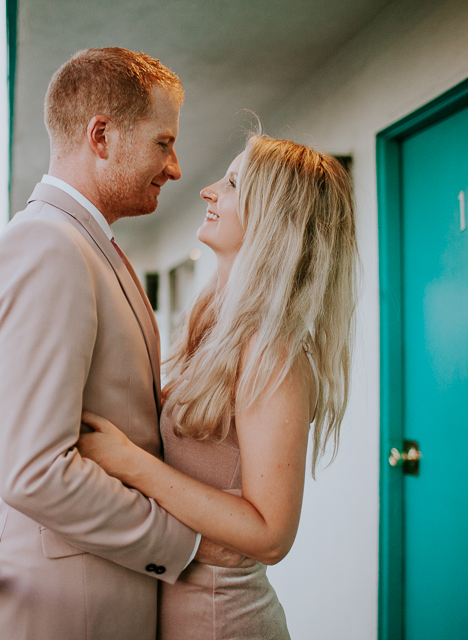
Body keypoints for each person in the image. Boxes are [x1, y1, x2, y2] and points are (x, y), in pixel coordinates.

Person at [0, 47, 239, 640]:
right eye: (162, 143)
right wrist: (187, 542)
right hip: (69, 610)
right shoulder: (47, 245)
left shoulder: (89, 245)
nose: (176, 168)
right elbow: (35, 471)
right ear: (102, 135)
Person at [78, 135, 359, 639]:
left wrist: (129, 463)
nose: (208, 190)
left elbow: (271, 535)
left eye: (231, 183)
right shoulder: (216, 328)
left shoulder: (272, 352)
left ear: (273, 216)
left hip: (219, 619)